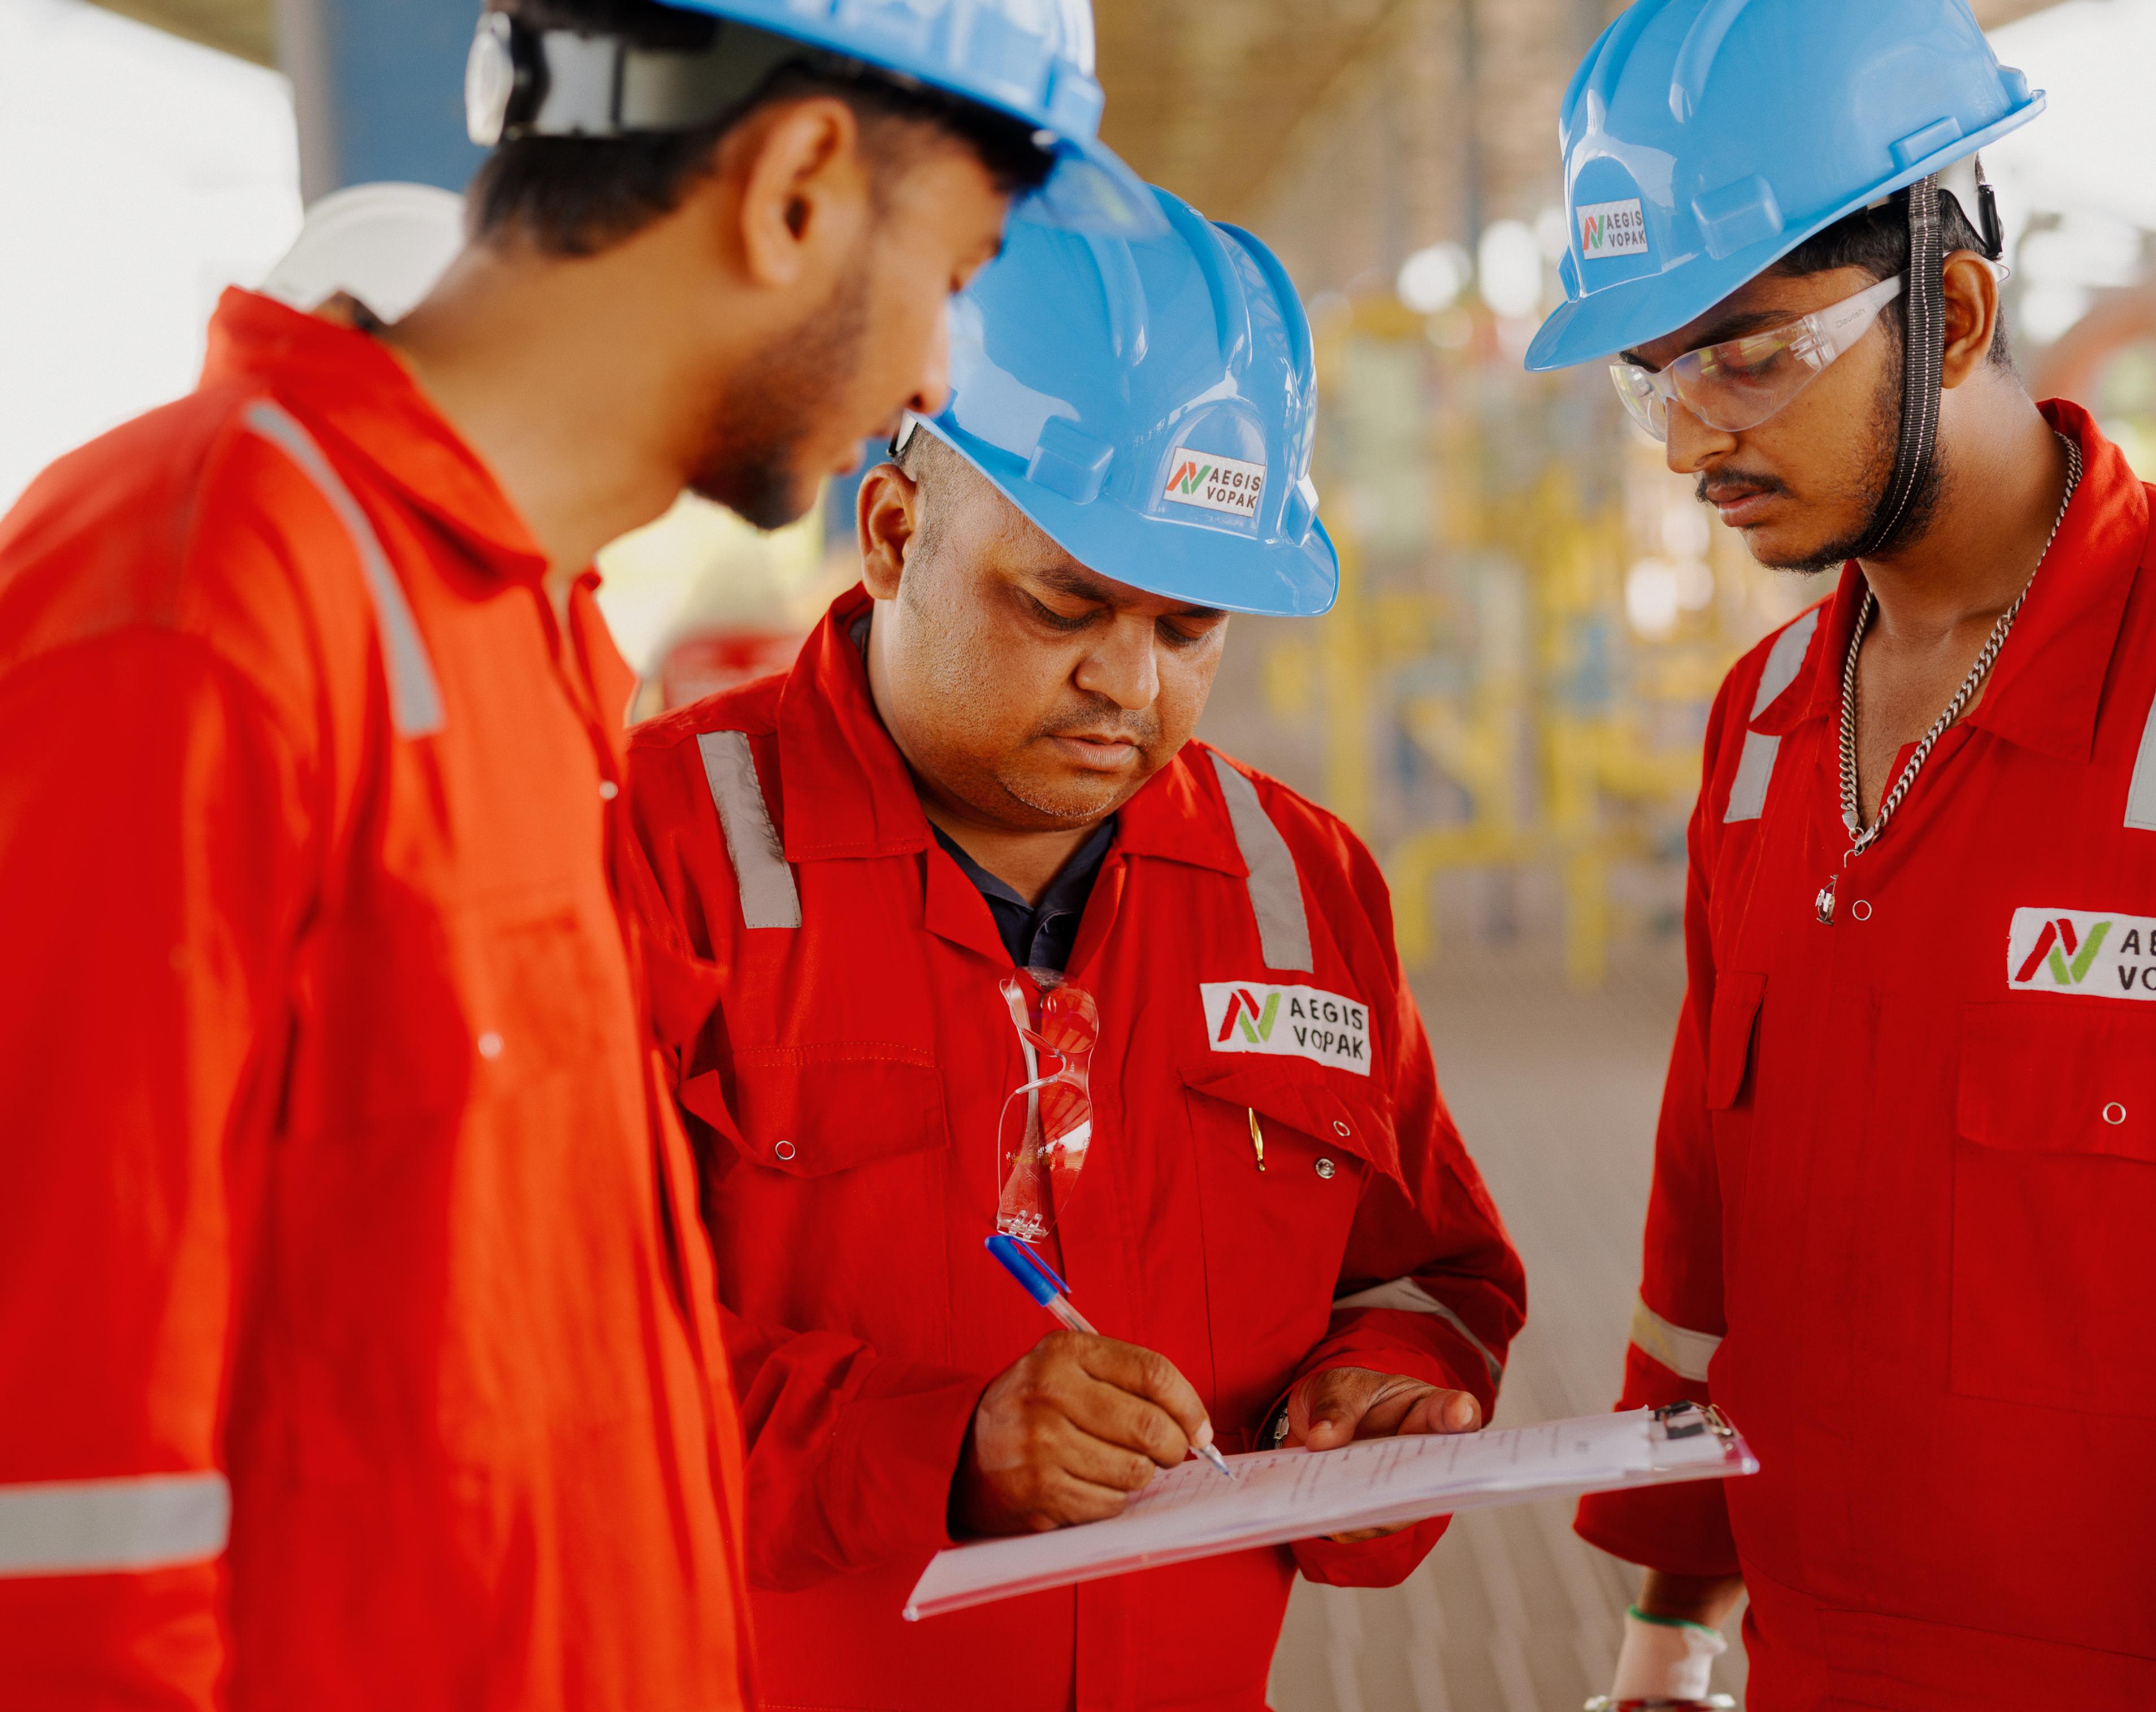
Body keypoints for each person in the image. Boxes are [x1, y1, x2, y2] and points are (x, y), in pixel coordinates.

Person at [0, 1, 1160, 1705]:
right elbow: (38, 1530)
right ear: (798, 185)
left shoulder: (522, 643)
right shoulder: (198, 595)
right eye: (953, 274)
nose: (934, 376)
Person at [623, 186, 1528, 1711]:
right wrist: (939, 1450)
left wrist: (1392, 1402)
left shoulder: (1298, 885)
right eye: (1067, 605)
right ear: (898, 531)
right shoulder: (664, 852)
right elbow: (534, 1367)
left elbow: (1433, 1269)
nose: (1128, 684)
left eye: (1192, 631)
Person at [1526, 2, 2156, 1707]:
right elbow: (1706, 1227)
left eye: (1747, 355)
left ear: (1958, 309)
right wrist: (1674, 1621)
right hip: (1813, 1658)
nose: (1690, 439)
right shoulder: (1762, 727)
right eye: (1653, 373)